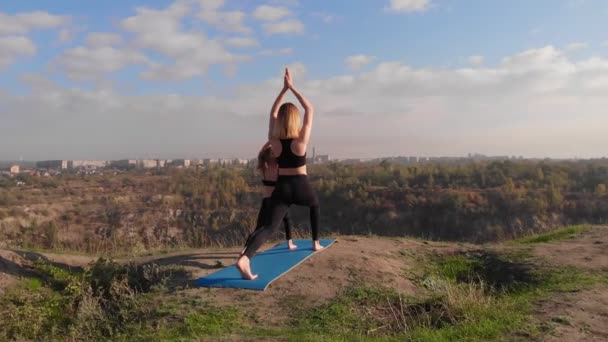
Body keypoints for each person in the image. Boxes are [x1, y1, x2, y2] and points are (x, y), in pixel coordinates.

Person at [236, 68, 322, 280]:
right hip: (301, 185)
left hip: (281, 187)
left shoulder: (273, 142)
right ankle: (315, 243)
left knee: (268, 227)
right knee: (314, 205)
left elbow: (272, 113)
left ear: (281, 121)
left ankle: (245, 257)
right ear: (295, 120)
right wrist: (293, 88)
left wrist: (283, 90)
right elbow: (309, 109)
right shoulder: (301, 141)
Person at [239, 145, 297, 256]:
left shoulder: (263, 168)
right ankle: (290, 243)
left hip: (267, 200)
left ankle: (245, 248)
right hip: (279, 200)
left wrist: (269, 142)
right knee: (286, 220)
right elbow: (288, 156)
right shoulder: (279, 168)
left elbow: (261, 153)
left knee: (259, 226)